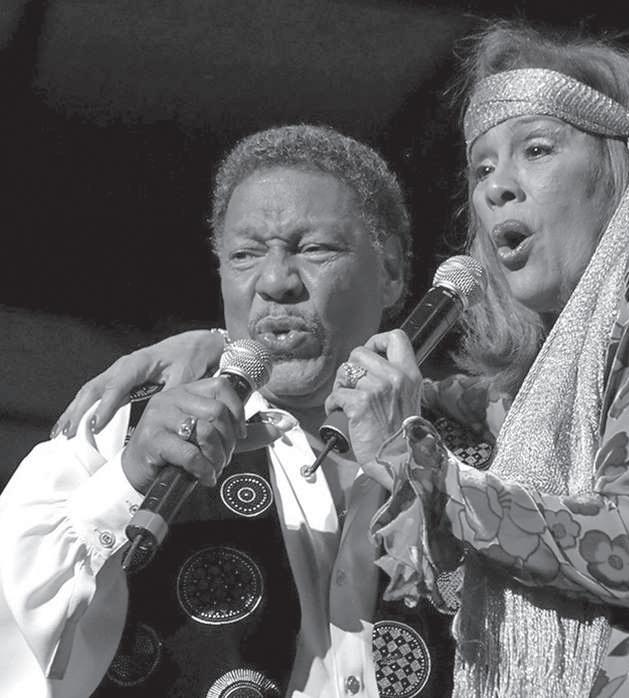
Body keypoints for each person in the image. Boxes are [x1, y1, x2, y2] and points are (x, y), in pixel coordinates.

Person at [45, 21, 629, 698]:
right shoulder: (547, 377)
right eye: (481, 168)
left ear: (621, 168)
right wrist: (221, 353)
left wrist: (416, 469)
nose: (496, 189)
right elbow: (397, 394)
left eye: (535, 150)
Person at [0, 124, 457, 697]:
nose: (275, 281)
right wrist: (127, 483)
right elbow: (15, 641)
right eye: (244, 255)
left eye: (314, 249)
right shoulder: (119, 428)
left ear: (390, 272)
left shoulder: (481, 445)